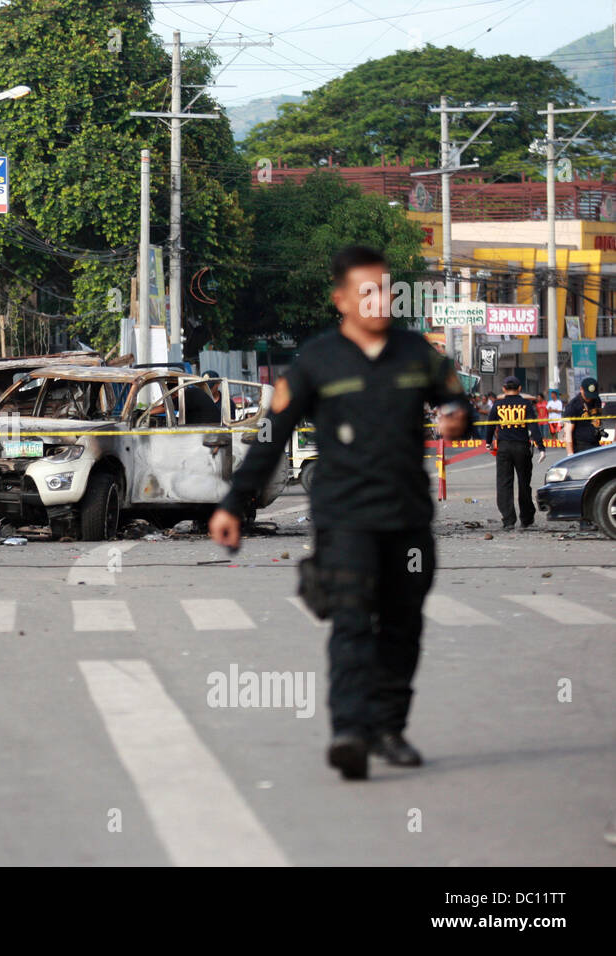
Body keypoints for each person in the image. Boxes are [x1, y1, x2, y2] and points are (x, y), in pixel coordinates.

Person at [209, 245, 472, 781]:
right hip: (343, 517)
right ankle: (349, 730)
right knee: (351, 620)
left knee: (403, 624)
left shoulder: (417, 353)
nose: (380, 301)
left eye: (387, 290)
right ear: (341, 299)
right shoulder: (316, 361)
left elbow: (456, 402)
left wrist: (455, 418)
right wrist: (235, 502)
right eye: (367, 291)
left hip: (407, 519)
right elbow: (270, 435)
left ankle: (389, 727)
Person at [485, 376, 546, 530]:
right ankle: (526, 519)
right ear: (520, 389)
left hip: (504, 448)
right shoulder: (525, 404)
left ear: (504, 389)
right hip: (522, 447)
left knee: (504, 484)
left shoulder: (498, 405)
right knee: (524, 483)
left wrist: (488, 442)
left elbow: (490, 426)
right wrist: (541, 447)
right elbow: (534, 427)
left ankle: (508, 520)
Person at [563, 377, 604, 454]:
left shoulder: (597, 400)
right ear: (581, 389)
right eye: (587, 395)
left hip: (595, 443)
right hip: (580, 447)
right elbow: (567, 432)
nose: (590, 398)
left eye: (592, 395)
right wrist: (570, 454)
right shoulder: (573, 406)